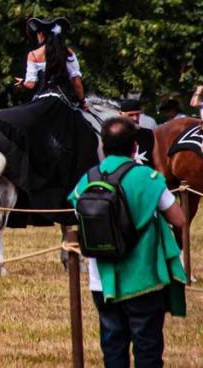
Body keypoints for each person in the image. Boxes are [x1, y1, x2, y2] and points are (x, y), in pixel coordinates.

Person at [69, 117, 186, 367]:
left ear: (103, 146)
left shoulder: (87, 179)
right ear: (134, 147)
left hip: (101, 280)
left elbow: (77, 210)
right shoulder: (147, 177)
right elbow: (179, 219)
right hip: (143, 279)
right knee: (147, 348)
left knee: (112, 348)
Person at [0, 17, 98, 226]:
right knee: (85, 140)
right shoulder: (69, 54)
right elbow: (76, 82)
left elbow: (30, 84)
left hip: (41, 104)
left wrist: (21, 84)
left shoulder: (34, 55)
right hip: (62, 107)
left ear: (41, 35)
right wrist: (82, 102)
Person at [117, 98, 156, 167]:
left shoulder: (148, 134)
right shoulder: (114, 136)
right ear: (121, 114)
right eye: (131, 115)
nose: (135, 118)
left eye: (137, 114)